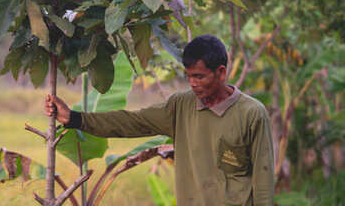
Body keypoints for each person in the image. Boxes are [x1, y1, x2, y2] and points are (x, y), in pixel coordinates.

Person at [45, 34, 274, 206]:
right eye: (188, 76)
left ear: (221, 73)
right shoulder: (180, 107)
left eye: (199, 76)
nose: (192, 83)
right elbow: (131, 122)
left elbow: (263, 180)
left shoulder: (252, 113)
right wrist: (74, 119)